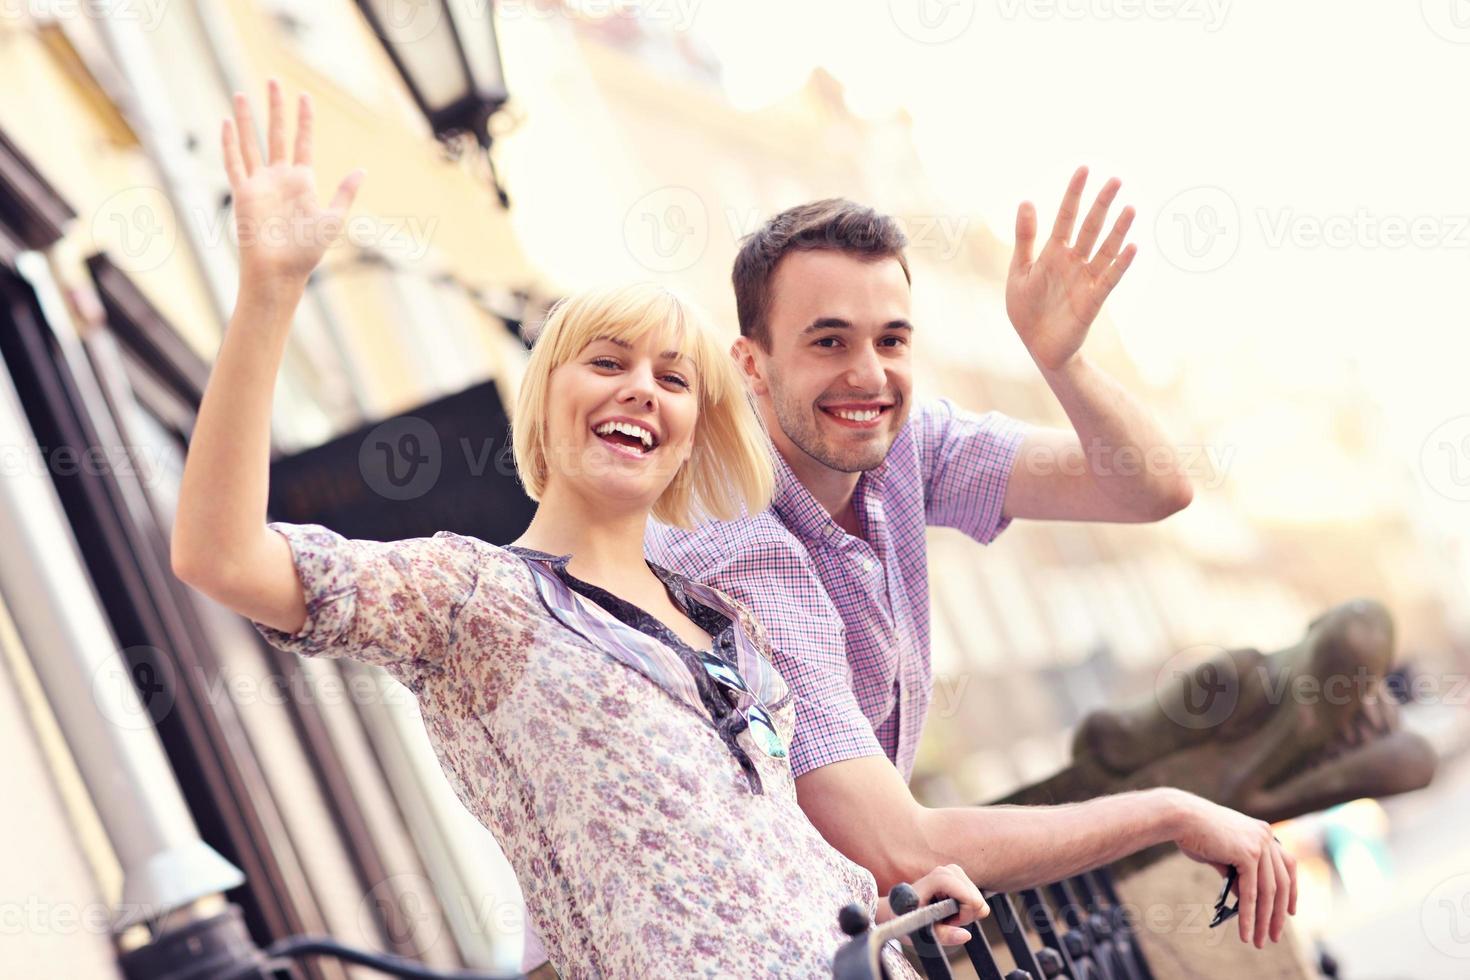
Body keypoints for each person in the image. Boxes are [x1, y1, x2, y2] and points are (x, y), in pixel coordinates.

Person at [170, 79, 987, 978]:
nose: (642, 387)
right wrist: (269, 294)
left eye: (675, 380)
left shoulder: (727, 625)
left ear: (689, 440)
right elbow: (221, 555)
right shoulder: (475, 599)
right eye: (606, 362)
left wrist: (889, 915)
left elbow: (763, 869)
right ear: (545, 399)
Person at [646, 190, 1299, 949]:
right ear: (751, 366)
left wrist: (1063, 360)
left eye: (891, 341)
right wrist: (1172, 813)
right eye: (829, 343)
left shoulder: (902, 443)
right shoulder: (731, 538)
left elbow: (1149, 488)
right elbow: (902, 846)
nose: (868, 376)